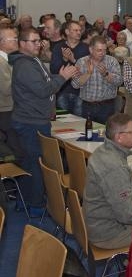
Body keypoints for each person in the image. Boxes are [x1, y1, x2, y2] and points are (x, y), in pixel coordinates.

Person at [10, 28, 78, 214]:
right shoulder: (24, 65)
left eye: (39, 40)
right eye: (33, 41)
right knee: (35, 164)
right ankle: (35, 205)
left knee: (31, 163)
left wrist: (58, 77)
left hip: (35, 119)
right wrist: (62, 78)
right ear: (22, 44)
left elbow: (44, 85)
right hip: (30, 122)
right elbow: (42, 90)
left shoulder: (33, 61)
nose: (38, 44)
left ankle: (26, 201)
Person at [83, 113, 132, 249]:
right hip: (109, 233)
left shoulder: (102, 151)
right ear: (119, 137)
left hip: (96, 222)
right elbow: (128, 216)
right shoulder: (114, 167)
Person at [72, 36, 122, 124]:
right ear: (91, 50)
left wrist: (106, 74)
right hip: (88, 106)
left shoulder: (112, 61)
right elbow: (75, 85)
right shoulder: (82, 62)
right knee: (88, 134)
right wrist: (88, 73)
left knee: (106, 135)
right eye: (99, 50)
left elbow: (119, 82)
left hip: (107, 106)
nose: (102, 53)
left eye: (104, 50)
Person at [50, 21, 90, 115]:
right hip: (63, 90)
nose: (79, 32)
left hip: (81, 92)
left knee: (80, 122)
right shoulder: (58, 47)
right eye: (75, 30)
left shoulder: (86, 48)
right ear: (67, 32)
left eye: (80, 30)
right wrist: (64, 59)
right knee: (63, 122)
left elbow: (87, 70)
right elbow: (54, 70)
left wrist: (73, 60)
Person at [0, 28, 20, 158]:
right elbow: (7, 89)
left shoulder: (8, 59)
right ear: (2, 42)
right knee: (14, 148)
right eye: (14, 39)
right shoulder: (1, 62)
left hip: (8, 108)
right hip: (5, 110)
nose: (17, 41)